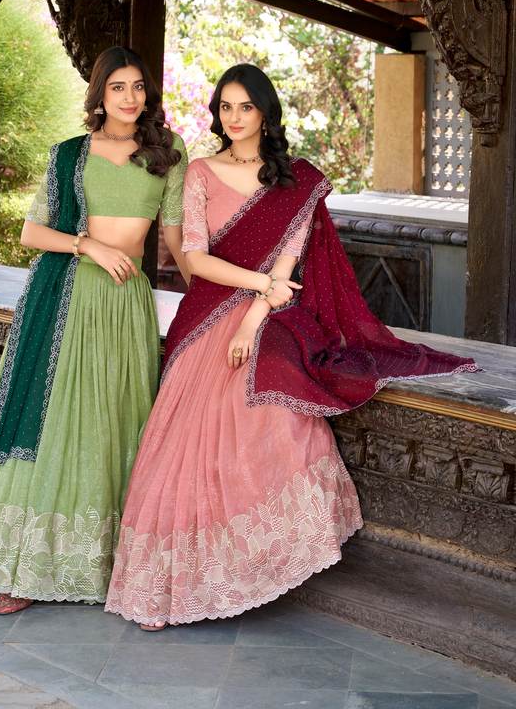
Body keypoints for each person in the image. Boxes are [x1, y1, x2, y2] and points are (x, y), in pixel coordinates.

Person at [105, 63, 478, 630]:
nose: (234, 117)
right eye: (225, 107)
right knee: (186, 441)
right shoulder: (200, 171)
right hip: (208, 311)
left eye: (245, 107)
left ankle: (254, 561)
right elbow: (197, 259)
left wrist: (253, 318)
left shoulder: (295, 180)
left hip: (266, 312)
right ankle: (170, 583)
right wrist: (258, 287)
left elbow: (287, 263)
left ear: (265, 113)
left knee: (274, 408)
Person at [0, 46, 188, 614]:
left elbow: (179, 242)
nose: (130, 98)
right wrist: (89, 245)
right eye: (118, 88)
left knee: (111, 427)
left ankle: (108, 565)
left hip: (125, 308)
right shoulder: (69, 155)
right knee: (53, 424)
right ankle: (24, 569)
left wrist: (223, 299)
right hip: (65, 299)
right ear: (99, 95)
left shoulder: (168, 154)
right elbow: (32, 233)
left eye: (138, 87)